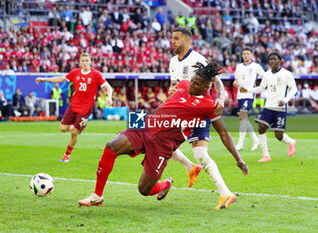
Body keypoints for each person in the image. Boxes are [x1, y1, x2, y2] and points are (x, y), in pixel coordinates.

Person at [78, 61, 249, 209]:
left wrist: (238, 158)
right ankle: (97, 196)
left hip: (164, 143)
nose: (191, 84)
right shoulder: (183, 85)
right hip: (146, 126)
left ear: (205, 88)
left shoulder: (209, 105)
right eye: (192, 80)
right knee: (111, 146)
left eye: (196, 83)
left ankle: (166, 184)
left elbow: (224, 134)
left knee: (144, 190)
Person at [168, 27, 235, 208]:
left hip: (198, 110)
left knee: (200, 154)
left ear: (187, 41)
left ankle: (225, 193)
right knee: (162, 143)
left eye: (176, 39)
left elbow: (217, 81)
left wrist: (221, 97)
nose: (173, 42)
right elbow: (173, 87)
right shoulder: (173, 62)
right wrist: (171, 93)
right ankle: (191, 168)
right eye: (172, 38)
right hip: (181, 111)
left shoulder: (198, 59)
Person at [36, 53, 113, 162]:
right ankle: (77, 128)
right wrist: (44, 80)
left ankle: (67, 155)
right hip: (73, 105)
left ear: (90, 62)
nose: (85, 63)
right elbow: (61, 79)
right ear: (80, 62)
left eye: (87, 60)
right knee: (62, 129)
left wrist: (109, 97)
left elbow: (108, 87)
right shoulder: (75, 73)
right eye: (83, 61)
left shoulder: (96, 75)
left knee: (73, 133)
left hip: (85, 108)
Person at [239, 53, 297, 162]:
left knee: (278, 135)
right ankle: (266, 155)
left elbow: (294, 89)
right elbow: (261, 88)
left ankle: (291, 142)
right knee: (261, 127)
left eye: (274, 59)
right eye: (270, 59)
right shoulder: (266, 75)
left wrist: (284, 100)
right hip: (268, 107)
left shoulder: (286, 74)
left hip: (280, 108)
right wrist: (248, 90)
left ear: (280, 60)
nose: (272, 61)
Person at [233, 47, 264, 151]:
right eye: (244, 54)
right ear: (242, 55)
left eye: (247, 53)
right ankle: (255, 140)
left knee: (242, 116)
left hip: (249, 95)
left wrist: (257, 89)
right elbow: (235, 80)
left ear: (251, 55)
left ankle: (240, 144)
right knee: (243, 119)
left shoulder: (256, 66)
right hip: (240, 95)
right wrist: (235, 83)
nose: (245, 55)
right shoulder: (239, 67)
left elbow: (265, 77)